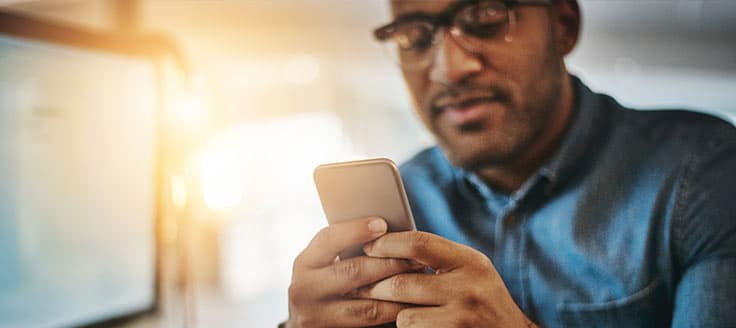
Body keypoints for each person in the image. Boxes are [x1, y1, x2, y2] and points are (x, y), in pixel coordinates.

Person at [284, 0, 736, 327]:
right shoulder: (400, 205)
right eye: (413, 36)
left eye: (484, 17)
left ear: (562, 24)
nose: (449, 68)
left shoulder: (705, 173)